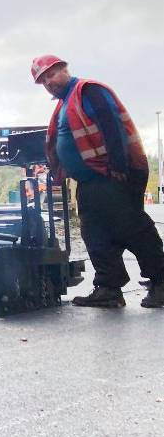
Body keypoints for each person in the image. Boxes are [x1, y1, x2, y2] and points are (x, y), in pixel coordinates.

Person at [31, 54, 164, 308]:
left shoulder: (88, 91)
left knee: (132, 228)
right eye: (43, 80)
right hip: (91, 180)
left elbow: (111, 126)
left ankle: (161, 281)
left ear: (64, 69)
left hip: (111, 173)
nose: (49, 82)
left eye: (52, 74)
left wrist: (118, 166)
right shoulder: (63, 104)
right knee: (95, 232)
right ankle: (108, 287)